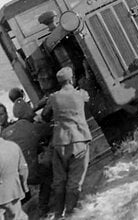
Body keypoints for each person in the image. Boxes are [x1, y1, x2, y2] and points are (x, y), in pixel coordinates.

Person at [42, 66, 92, 218]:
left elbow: (45, 115)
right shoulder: (80, 94)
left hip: (59, 142)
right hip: (79, 140)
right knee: (75, 181)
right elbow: (87, 98)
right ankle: (70, 213)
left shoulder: (53, 97)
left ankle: (58, 213)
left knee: (59, 180)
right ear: (71, 79)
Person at [1, 98, 53, 216]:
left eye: (2, 114)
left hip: (17, 174)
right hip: (17, 174)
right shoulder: (19, 128)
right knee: (47, 174)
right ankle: (42, 207)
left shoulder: (9, 130)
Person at [0, 136, 29, 220]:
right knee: (18, 216)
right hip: (12, 191)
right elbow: (23, 170)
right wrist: (24, 187)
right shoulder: (13, 146)